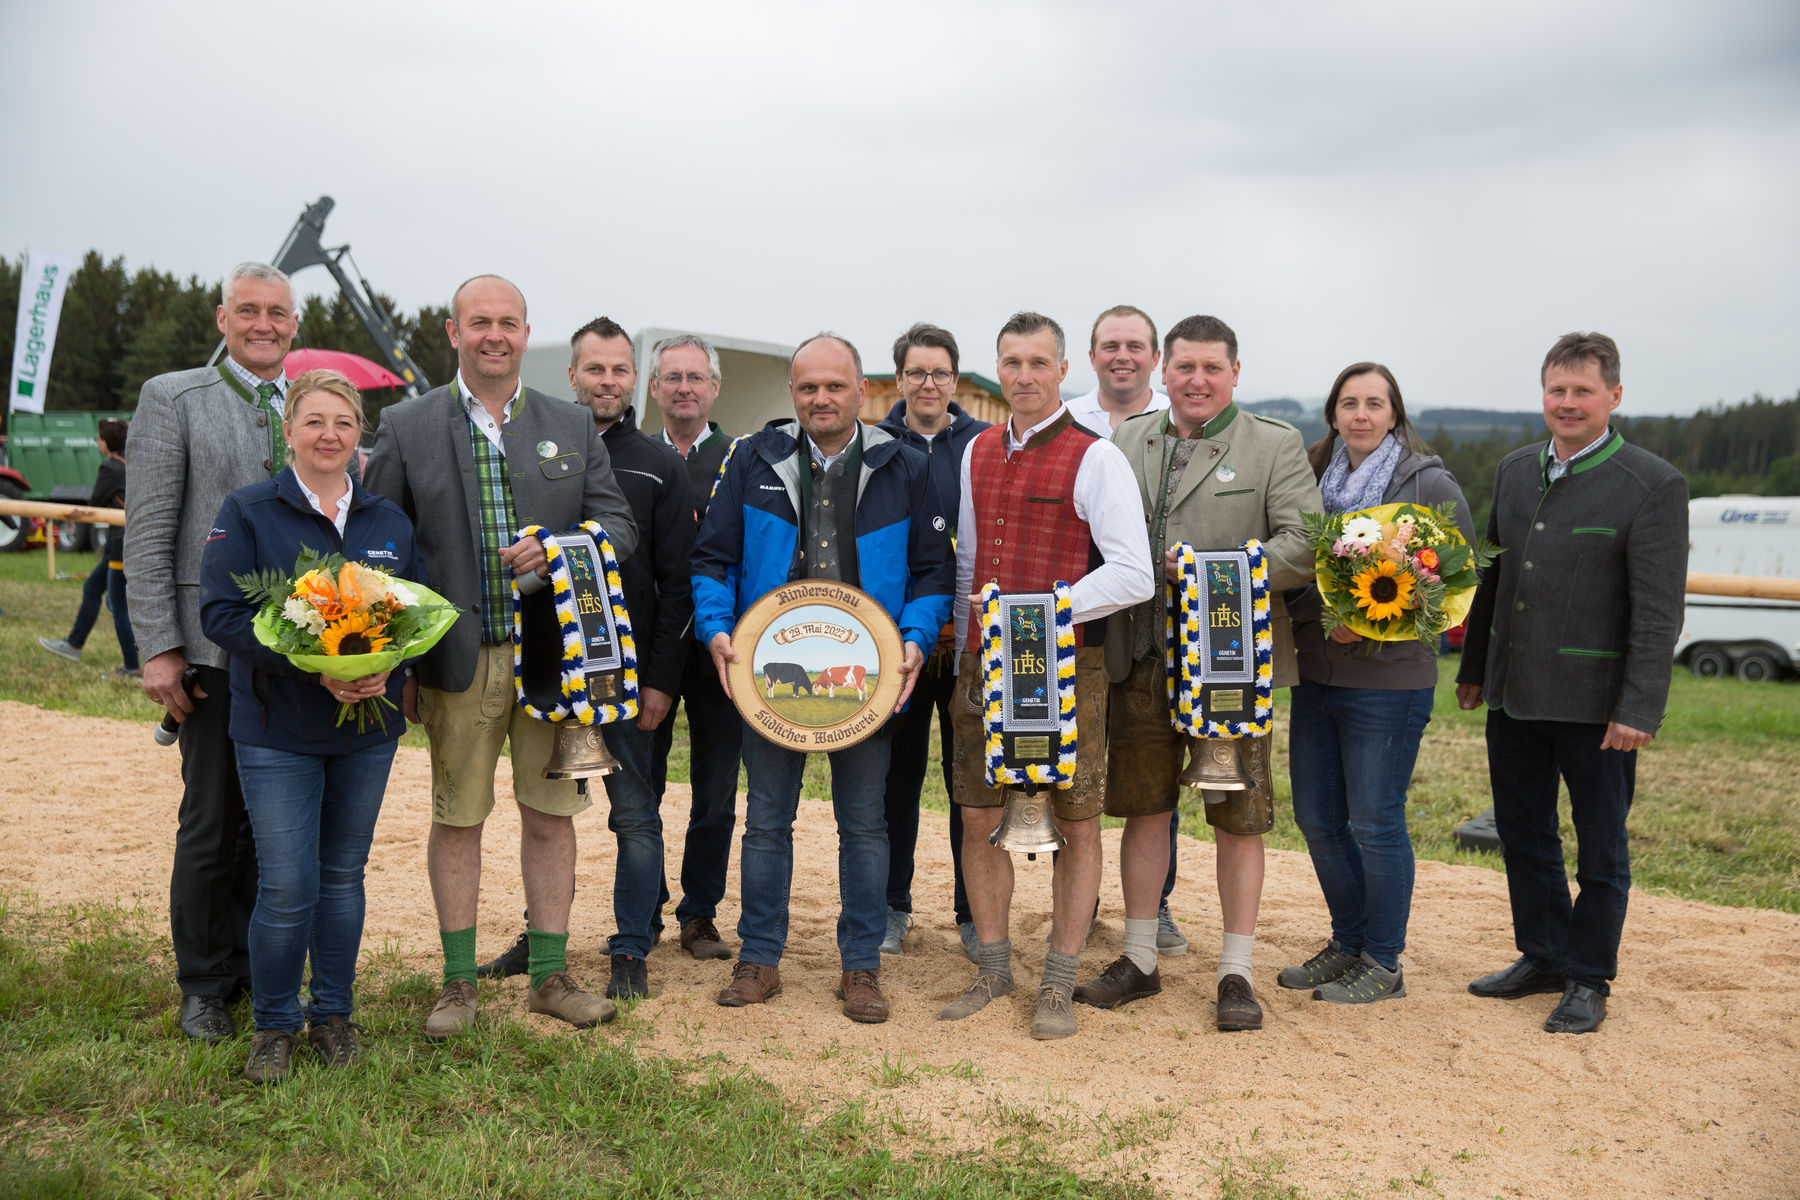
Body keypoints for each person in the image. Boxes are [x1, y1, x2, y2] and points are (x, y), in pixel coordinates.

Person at [363, 275, 638, 1040]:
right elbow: (382, 550)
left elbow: (617, 526)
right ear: (453, 333)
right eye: (478, 322)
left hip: (556, 662)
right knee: (459, 817)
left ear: (525, 333)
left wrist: (560, 551)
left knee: (551, 817)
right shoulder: (408, 425)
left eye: (508, 323)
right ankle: (457, 984)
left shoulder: (571, 423)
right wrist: (403, 659)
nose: (494, 335)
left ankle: (549, 976)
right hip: (459, 660)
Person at [691, 333, 953, 1024]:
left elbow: (933, 571)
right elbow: (711, 558)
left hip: (864, 676)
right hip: (770, 674)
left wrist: (916, 640)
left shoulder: (903, 464)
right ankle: (760, 959)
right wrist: (718, 627)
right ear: (793, 392)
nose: (821, 399)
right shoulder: (752, 458)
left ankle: (860, 966)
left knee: (864, 826)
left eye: (834, 386)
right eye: (808, 388)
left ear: (861, 390)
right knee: (767, 822)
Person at [1082, 315, 1319, 1033]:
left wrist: (1213, 572)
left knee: (1237, 821)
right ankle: (1140, 957)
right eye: (1184, 366)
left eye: (1211, 368)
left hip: (1230, 667)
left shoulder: (1273, 444)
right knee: (1144, 810)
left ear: (1235, 373)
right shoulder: (1126, 440)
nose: (1196, 380)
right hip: (1140, 659)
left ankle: (1236, 970)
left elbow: (1305, 544)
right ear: (1165, 370)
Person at [1457, 332, 1687, 1035]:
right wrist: (1472, 669)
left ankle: (1589, 976)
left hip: (1598, 708)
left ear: (1613, 397)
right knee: (1524, 835)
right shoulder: (1514, 470)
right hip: (1515, 692)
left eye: (1582, 391)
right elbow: (1495, 576)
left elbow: (1657, 613)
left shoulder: (1653, 484)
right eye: (1556, 389)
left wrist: (1639, 708)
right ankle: (1545, 954)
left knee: (1601, 850)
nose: (1567, 402)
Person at [197, 369, 421, 1082]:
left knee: (342, 876)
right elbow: (222, 616)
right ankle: (274, 1024)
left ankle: (333, 1015)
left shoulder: (388, 522)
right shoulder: (250, 510)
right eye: (315, 421)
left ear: (361, 435)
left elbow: (415, 619)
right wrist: (310, 667)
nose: (330, 435)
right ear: (289, 431)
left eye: (344, 423)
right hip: (276, 729)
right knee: (288, 883)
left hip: (366, 732)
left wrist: (395, 673)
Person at [941, 312, 1155, 1040]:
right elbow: (970, 562)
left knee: (1076, 820)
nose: (1024, 376)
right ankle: (996, 968)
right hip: (984, 666)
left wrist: (1049, 608)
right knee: (976, 814)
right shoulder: (974, 452)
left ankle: (1058, 981)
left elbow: (1134, 573)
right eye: (1011, 363)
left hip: (1070, 665)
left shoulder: (1097, 457)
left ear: (1064, 369)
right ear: (996, 370)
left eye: (1038, 362)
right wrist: (968, 651)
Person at [476, 318, 696, 1001]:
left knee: (635, 814)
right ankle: (540, 937)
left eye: (619, 370)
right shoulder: (529, 447)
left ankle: (632, 946)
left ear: (636, 380)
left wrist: (661, 679)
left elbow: (678, 578)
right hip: (544, 668)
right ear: (571, 375)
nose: (606, 381)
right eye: (593, 369)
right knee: (545, 815)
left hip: (626, 679)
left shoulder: (660, 465)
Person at [126, 261, 300, 1042]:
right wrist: (159, 646)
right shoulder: (174, 397)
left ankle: (248, 968)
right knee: (211, 820)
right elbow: (151, 528)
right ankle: (202, 983)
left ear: (294, 324)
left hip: (298, 655)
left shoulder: (310, 405)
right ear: (222, 318)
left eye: (279, 313)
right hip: (209, 651)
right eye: (250, 311)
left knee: (273, 824)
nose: (265, 324)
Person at [1278, 363, 1474, 1005]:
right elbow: (1292, 565)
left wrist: (1370, 621)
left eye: (1375, 404)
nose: (1361, 415)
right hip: (1317, 673)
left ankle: (1383, 961)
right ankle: (1348, 941)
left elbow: (1453, 581)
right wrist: (1322, 615)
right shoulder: (1309, 476)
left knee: (1375, 822)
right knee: (1316, 817)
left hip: (1388, 684)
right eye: (1349, 403)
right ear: (1333, 413)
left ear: (1394, 415)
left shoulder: (1428, 482)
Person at [873, 322, 990, 960]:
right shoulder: (875, 447)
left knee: (967, 780)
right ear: (899, 380)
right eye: (916, 372)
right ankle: (892, 908)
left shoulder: (983, 443)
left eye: (940, 372)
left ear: (954, 378)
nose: (928, 383)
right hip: (901, 644)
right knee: (898, 779)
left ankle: (972, 913)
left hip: (968, 644)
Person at [646, 333, 743, 963]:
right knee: (640, 785)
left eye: (695, 377)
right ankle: (643, 902)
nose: (684, 387)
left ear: (713, 387)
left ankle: (699, 912)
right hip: (648, 646)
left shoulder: (741, 458)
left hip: (720, 647)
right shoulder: (626, 455)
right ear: (653, 388)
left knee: (715, 790)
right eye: (672, 377)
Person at [40, 419, 139, 677]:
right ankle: (74, 645)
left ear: (107, 443)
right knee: (92, 587)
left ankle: (133, 667)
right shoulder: (131, 464)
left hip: (120, 541)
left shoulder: (110, 468)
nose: (97, 443)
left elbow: (96, 502)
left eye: (99, 438)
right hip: (120, 540)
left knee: (118, 604)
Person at [1065, 305, 1168, 435]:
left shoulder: (1178, 419)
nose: (1122, 357)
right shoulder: (1064, 421)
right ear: (1093, 358)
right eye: (1111, 347)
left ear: (1155, 359)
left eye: (1135, 347)